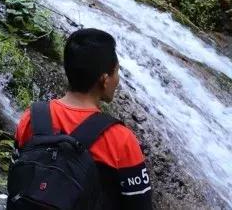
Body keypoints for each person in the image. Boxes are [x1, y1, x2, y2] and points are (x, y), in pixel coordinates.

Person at [13, 29, 152, 209]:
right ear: (104, 80)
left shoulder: (32, 118)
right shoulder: (120, 139)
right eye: (116, 72)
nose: (117, 79)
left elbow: (16, 182)